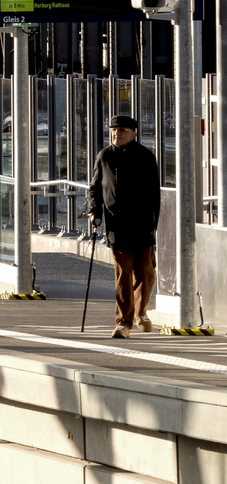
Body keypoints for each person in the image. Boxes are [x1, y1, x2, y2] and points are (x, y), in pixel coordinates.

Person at [88, 114, 160, 338]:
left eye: (121, 130)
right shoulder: (105, 156)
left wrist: (153, 224)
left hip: (142, 224)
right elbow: (94, 187)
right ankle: (123, 322)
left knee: (146, 273)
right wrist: (94, 210)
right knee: (123, 275)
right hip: (116, 225)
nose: (115, 134)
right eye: (113, 130)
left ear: (134, 134)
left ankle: (141, 312)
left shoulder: (145, 156)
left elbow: (154, 194)